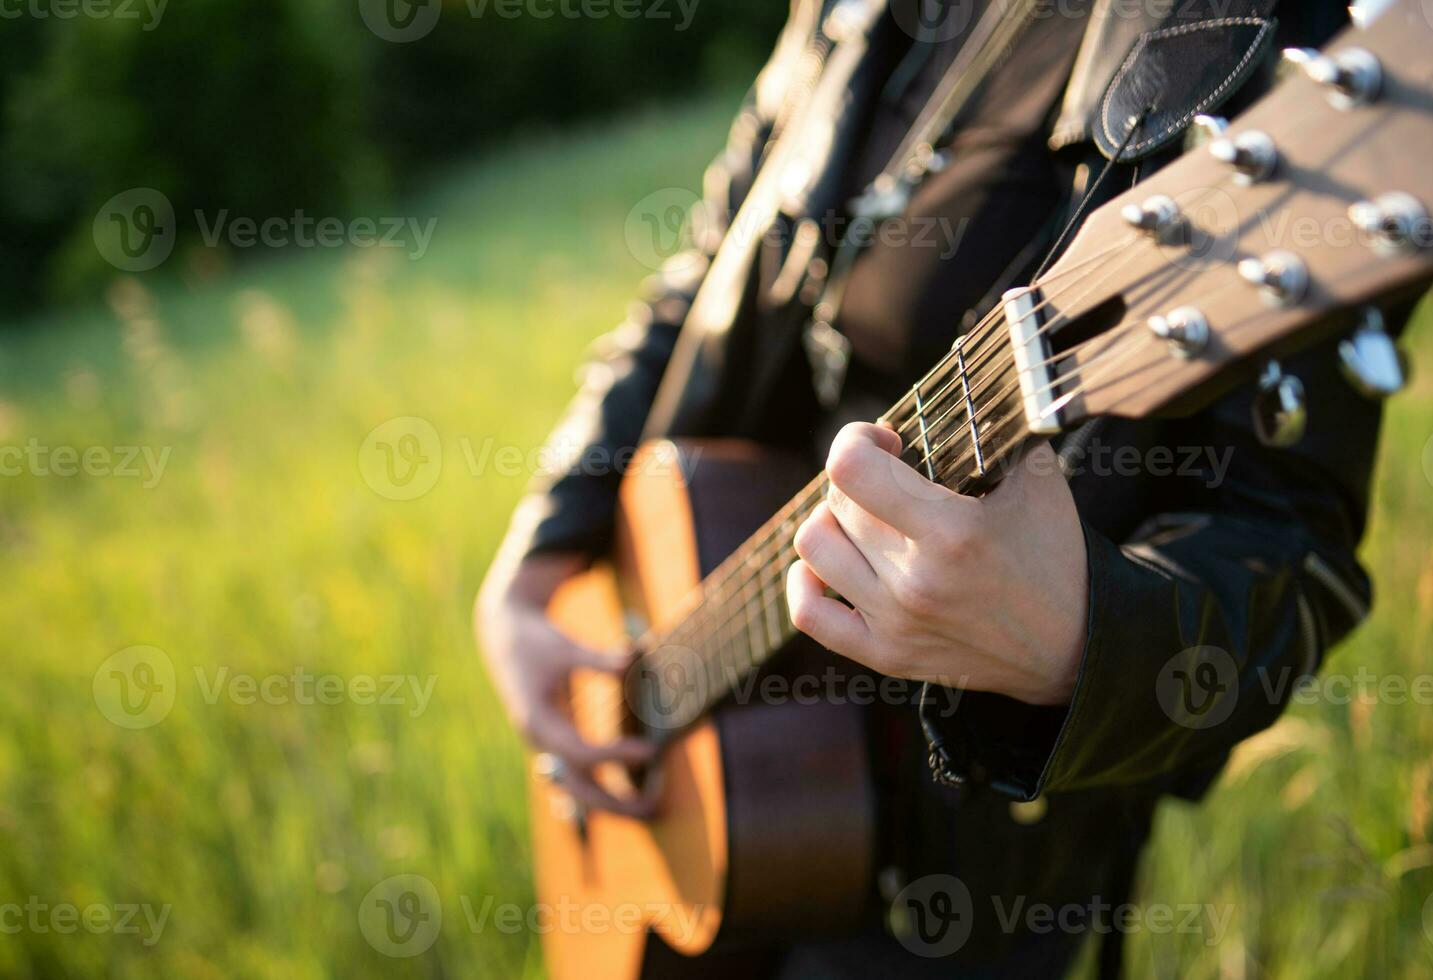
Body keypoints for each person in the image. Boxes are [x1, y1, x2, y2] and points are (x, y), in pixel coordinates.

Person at [476, 1, 1384, 974]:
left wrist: (1081, 640)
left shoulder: (1276, 37)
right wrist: (541, 551)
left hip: (951, 876)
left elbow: (1290, 542)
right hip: (689, 708)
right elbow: (703, 272)